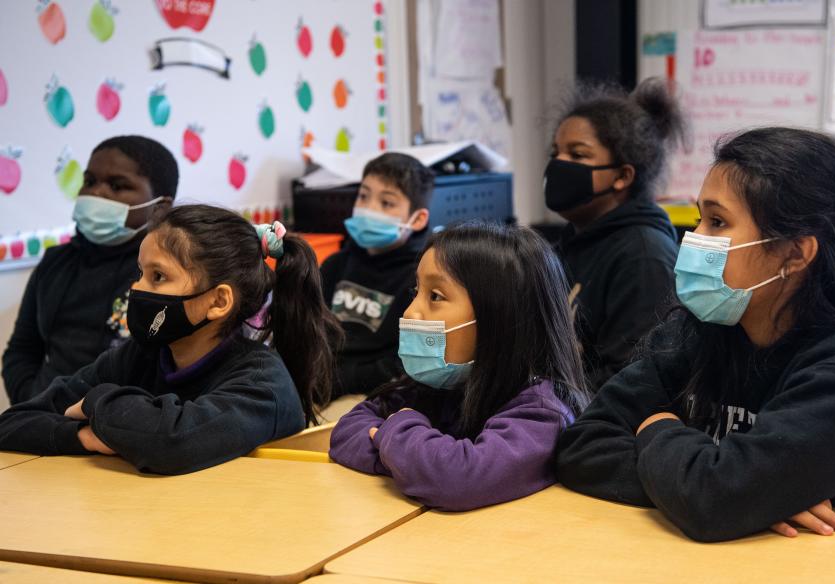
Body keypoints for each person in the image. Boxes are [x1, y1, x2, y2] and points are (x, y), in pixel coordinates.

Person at [555, 127, 835, 542]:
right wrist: (741, 495)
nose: (694, 240)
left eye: (718, 221)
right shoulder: (699, 331)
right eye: (700, 219)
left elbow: (715, 500)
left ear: (796, 253)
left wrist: (656, 428)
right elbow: (581, 445)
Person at [0, 205, 343, 475]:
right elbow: (13, 423)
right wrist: (81, 436)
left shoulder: (262, 382)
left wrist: (97, 401)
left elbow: (174, 442)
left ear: (218, 302)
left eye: (158, 276)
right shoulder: (139, 355)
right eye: (140, 273)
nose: (137, 288)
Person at [330, 222, 591, 510]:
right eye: (416, 291)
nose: (410, 311)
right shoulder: (435, 386)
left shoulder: (542, 412)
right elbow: (346, 432)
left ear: (499, 316)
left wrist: (399, 437)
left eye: (435, 296)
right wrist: (414, 460)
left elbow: (457, 479)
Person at [3, 135, 177, 404]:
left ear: (159, 208)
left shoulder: (168, 275)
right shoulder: (55, 262)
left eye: (118, 186)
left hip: (126, 428)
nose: (97, 193)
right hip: (45, 422)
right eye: (89, 181)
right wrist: (32, 401)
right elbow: (21, 350)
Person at [546, 78, 687, 390]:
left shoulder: (643, 257)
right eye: (556, 152)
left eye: (578, 155)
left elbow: (632, 381)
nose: (558, 164)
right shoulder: (569, 244)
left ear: (623, 176)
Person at [320, 152, 434, 397]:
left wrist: (339, 381)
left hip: (377, 393)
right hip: (321, 381)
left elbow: (407, 363)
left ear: (418, 219)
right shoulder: (335, 266)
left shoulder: (422, 279)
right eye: (363, 196)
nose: (368, 209)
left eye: (387, 203)